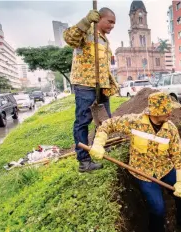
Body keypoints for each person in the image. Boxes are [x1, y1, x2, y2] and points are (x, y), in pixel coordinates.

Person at [89, 92, 181, 232]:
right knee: (158, 209)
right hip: (143, 173)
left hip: (165, 168)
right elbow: (108, 124)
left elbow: (178, 156)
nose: (170, 113)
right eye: (166, 110)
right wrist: (99, 143)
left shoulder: (171, 129)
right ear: (156, 112)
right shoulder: (135, 122)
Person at [64, 8, 119, 172]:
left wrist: (110, 83)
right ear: (99, 18)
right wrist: (86, 21)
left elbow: (104, 66)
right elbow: (69, 38)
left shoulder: (104, 40)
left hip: (101, 85)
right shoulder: (86, 32)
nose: (112, 26)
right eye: (110, 21)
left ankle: (100, 147)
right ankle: (84, 161)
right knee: (83, 121)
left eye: (114, 23)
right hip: (85, 84)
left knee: (104, 120)